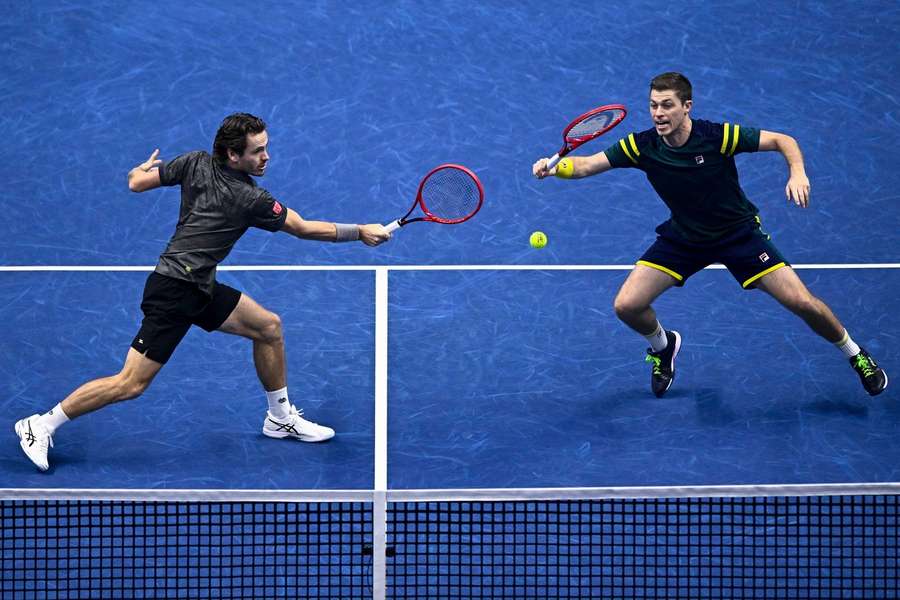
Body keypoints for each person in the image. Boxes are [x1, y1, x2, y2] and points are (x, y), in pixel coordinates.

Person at [16, 113, 391, 472]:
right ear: (233, 154)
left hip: (197, 285)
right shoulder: (251, 199)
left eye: (266, 147)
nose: (266, 157)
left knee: (268, 328)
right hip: (175, 293)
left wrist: (141, 169)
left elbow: (135, 182)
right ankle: (41, 425)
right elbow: (305, 229)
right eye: (257, 151)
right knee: (130, 384)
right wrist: (360, 231)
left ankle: (279, 418)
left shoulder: (194, 162)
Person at [532, 72, 887, 399]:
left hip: (738, 236)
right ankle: (663, 346)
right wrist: (554, 168)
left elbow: (783, 140)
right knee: (627, 306)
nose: (658, 113)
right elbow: (587, 164)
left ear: (687, 107)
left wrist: (797, 172)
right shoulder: (641, 146)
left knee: (801, 303)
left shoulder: (716, 137)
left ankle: (855, 354)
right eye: (653, 105)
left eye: (667, 105)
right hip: (684, 238)